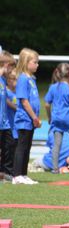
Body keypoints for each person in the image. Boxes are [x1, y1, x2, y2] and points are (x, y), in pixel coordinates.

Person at [44, 63, 69, 174]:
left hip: (56, 119)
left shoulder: (52, 88)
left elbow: (46, 104)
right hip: (68, 119)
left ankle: (55, 168)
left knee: (57, 144)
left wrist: (49, 117)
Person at [12, 48, 42, 185]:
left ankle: (23, 174)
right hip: (25, 118)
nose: (37, 65)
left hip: (31, 119)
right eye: (35, 62)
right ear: (26, 62)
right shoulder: (23, 79)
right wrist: (34, 117)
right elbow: (24, 101)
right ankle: (17, 174)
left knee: (28, 146)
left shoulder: (32, 79)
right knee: (22, 146)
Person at [0, 51, 16, 180]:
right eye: (11, 67)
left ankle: (6, 173)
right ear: (5, 65)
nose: (12, 71)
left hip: (4, 122)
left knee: (9, 145)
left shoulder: (3, 81)